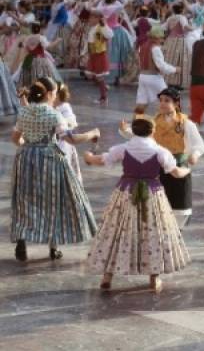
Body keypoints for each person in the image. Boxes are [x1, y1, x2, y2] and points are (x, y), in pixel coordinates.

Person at [84, 118, 191, 293]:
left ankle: (107, 276)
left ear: (134, 131)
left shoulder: (124, 149)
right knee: (153, 232)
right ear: (152, 130)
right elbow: (177, 173)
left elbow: (99, 160)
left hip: (126, 192)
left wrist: (87, 156)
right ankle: (153, 277)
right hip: (152, 194)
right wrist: (188, 169)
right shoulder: (159, 151)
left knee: (116, 231)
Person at [11, 80, 98, 262]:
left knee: (25, 200)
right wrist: (92, 134)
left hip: (25, 157)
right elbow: (71, 139)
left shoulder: (24, 112)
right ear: (49, 94)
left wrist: (27, 147)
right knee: (52, 200)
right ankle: (53, 247)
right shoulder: (54, 115)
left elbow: (15, 138)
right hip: (49, 159)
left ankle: (21, 241)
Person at [120, 87, 204, 228]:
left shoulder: (185, 123)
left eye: (167, 100)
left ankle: (177, 230)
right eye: (161, 100)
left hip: (178, 165)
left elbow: (198, 144)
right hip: (158, 167)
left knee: (179, 205)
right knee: (158, 204)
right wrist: (126, 130)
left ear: (176, 103)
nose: (163, 103)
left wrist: (195, 155)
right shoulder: (154, 122)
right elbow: (141, 135)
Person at [135, 25, 177, 112]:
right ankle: (171, 122)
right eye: (161, 38)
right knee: (168, 98)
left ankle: (136, 122)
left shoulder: (142, 47)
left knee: (142, 102)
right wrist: (175, 69)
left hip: (142, 77)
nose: (162, 40)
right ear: (156, 37)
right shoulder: (155, 48)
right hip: (154, 78)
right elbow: (161, 66)